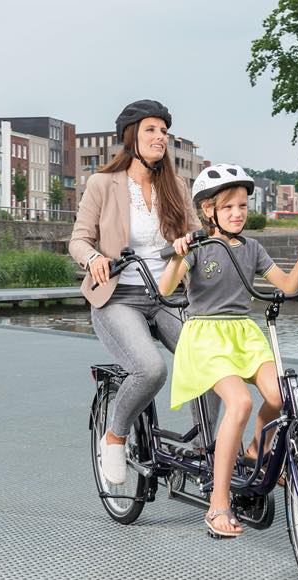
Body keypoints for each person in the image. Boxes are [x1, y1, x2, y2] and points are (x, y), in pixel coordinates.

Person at [158, 164, 298, 538]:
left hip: (244, 335)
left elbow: (286, 283)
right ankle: (218, 502)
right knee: (240, 403)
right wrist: (177, 253)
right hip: (206, 337)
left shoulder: (252, 249)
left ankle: (255, 448)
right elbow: (166, 287)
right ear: (209, 211)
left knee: (279, 396)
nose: (238, 213)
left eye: (242, 205)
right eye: (229, 206)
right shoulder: (199, 246)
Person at [69, 99, 219, 485]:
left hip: (167, 295)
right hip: (118, 297)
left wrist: (201, 244)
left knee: (211, 364)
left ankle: (205, 452)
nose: (160, 137)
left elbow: (194, 236)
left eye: (164, 131)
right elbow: (79, 240)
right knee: (150, 369)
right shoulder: (103, 183)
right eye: (151, 130)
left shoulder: (176, 185)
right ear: (131, 136)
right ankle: (115, 436)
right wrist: (93, 259)